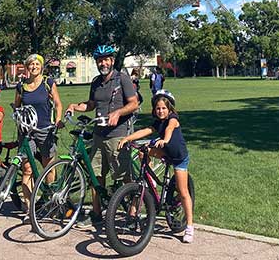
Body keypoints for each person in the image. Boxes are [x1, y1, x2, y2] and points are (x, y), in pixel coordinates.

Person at [66, 45, 139, 225]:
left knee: (124, 176)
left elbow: (134, 104)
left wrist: (117, 113)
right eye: (100, 60)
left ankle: (133, 211)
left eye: (106, 59)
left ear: (112, 61)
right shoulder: (96, 82)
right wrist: (75, 106)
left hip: (117, 134)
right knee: (95, 175)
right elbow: (91, 104)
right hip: (98, 134)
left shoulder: (122, 79)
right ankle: (97, 214)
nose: (103, 63)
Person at [118, 90, 194, 243]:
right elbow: (145, 131)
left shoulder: (173, 119)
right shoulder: (157, 122)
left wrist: (165, 140)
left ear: (170, 109)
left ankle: (190, 227)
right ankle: (150, 181)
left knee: (183, 191)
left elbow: (169, 129)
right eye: (158, 108)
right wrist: (127, 138)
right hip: (165, 152)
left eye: (164, 108)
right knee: (143, 151)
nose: (161, 111)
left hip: (179, 158)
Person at [14, 53, 63, 216]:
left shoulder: (48, 83)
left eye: (36, 64)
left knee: (48, 167)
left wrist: (57, 120)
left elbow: (57, 104)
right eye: (30, 64)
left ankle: (49, 200)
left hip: (45, 130)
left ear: (41, 66)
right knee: (27, 169)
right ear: (27, 67)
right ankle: (29, 207)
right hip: (27, 133)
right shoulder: (21, 86)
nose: (33, 67)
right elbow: (17, 106)